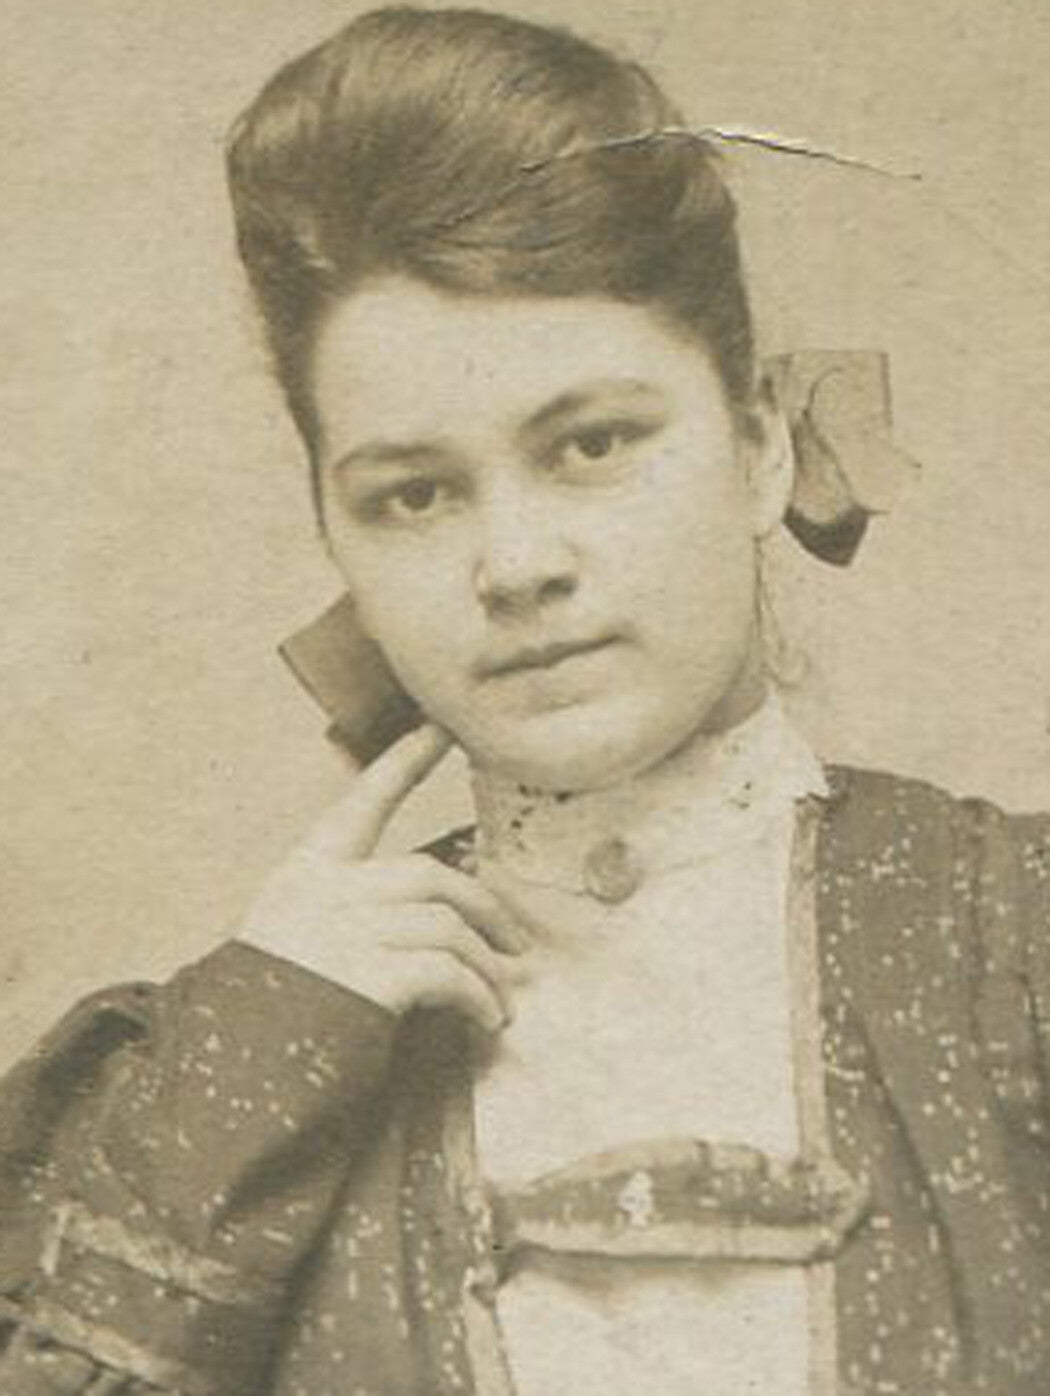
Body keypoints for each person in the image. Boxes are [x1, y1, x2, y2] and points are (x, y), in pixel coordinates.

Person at [1, 8, 1048, 1394]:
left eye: (592, 444)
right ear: (336, 538)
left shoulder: (1006, 947)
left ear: (750, 451)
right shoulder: (220, 1075)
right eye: (414, 494)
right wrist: (252, 1061)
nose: (514, 565)